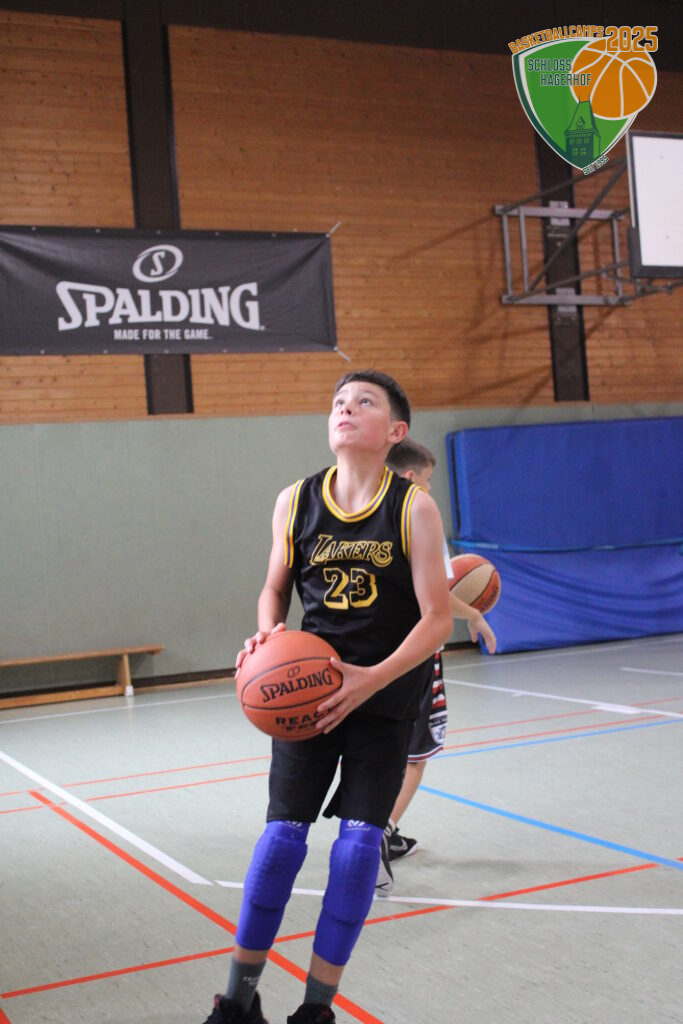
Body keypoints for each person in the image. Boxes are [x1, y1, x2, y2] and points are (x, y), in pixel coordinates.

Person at [202, 369, 476, 1024]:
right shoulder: (296, 500)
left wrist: (371, 678)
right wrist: (267, 634)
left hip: (383, 697)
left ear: (395, 431)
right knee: (279, 841)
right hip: (309, 695)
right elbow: (275, 588)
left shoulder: (412, 507)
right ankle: (237, 1003)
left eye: (364, 402)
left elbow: (437, 620)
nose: (346, 409)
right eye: (338, 402)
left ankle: (315, 1010)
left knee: (355, 851)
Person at [374, 439, 497, 895]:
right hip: (417, 653)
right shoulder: (419, 514)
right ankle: (379, 832)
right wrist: (475, 614)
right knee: (416, 755)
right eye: (427, 479)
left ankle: (375, 829)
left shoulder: (364, 512)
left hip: (375, 652)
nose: (429, 487)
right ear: (411, 478)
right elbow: (437, 594)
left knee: (381, 747)